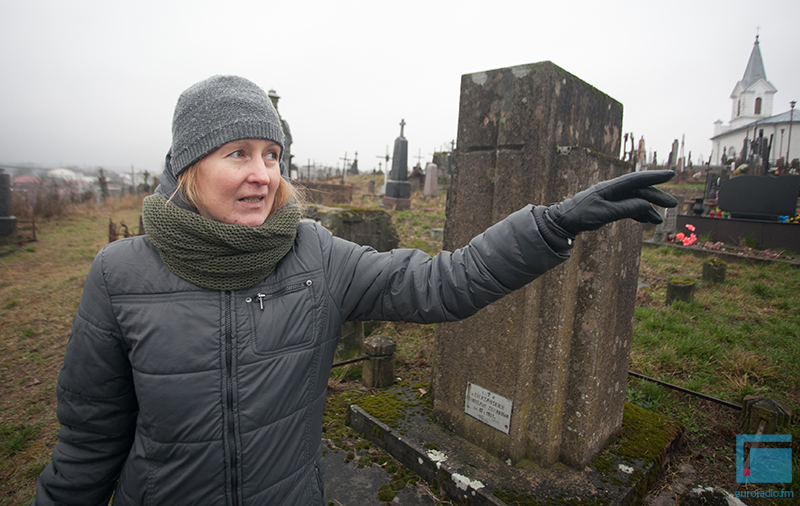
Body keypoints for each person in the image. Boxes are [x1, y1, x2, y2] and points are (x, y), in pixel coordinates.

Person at [33, 75, 676, 506]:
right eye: (238, 154)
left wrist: (551, 225)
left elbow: (443, 284)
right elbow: (90, 442)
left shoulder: (314, 255)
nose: (262, 175)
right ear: (186, 167)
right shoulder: (121, 276)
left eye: (272, 155)